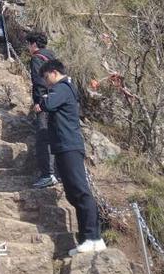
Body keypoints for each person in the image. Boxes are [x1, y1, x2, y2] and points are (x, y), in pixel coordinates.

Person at [40, 59, 106, 255]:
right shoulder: (64, 88)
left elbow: (47, 104)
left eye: (46, 77)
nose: (46, 82)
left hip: (68, 145)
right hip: (65, 146)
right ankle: (87, 239)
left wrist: (44, 98)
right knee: (73, 193)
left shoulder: (61, 88)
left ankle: (94, 237)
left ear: (53, 73)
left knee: (80, 191)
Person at [26, 32, 59, 189]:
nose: (28, 48)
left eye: (28, 44)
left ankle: (48, 175)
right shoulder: (52, 57)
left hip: (45, 102)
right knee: (55, 135)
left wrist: (39, 102)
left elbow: (39, 81)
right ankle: (58, 173)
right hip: (58, 101)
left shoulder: (37, 58)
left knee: (43, 137)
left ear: (33, 44)